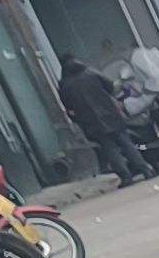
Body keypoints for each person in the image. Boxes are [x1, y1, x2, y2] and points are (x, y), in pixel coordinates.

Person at [56, 51, 141, 184]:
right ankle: (145, 169)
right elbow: (110, 87)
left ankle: (126, 177)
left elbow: (69, 107)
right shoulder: (90, 73)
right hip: (110, 115)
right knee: (126, 143)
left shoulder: (64, 84)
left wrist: (79, 120)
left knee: (110, 150)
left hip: (91, 122)